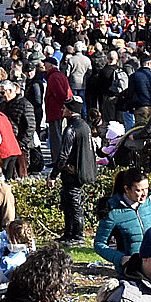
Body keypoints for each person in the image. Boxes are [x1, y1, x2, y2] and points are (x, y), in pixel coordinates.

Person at [93, 167, 151, 280]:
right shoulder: (112, 210)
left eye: (146, 188)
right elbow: (99, 244)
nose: (144, 194)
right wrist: (121, 259)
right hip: (131, 270)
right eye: (139, 190)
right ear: (127, 189)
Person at [56, 100, 98, 244]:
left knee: (73, 205)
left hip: (71, 173)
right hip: (81, 171)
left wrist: (53, 174)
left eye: (64, 108)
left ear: (69, 110)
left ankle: (77, 236)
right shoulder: (85, 126)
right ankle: (69, 234)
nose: (62, 110)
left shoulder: (71, 129)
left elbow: (63, 155)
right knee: (69, 203)